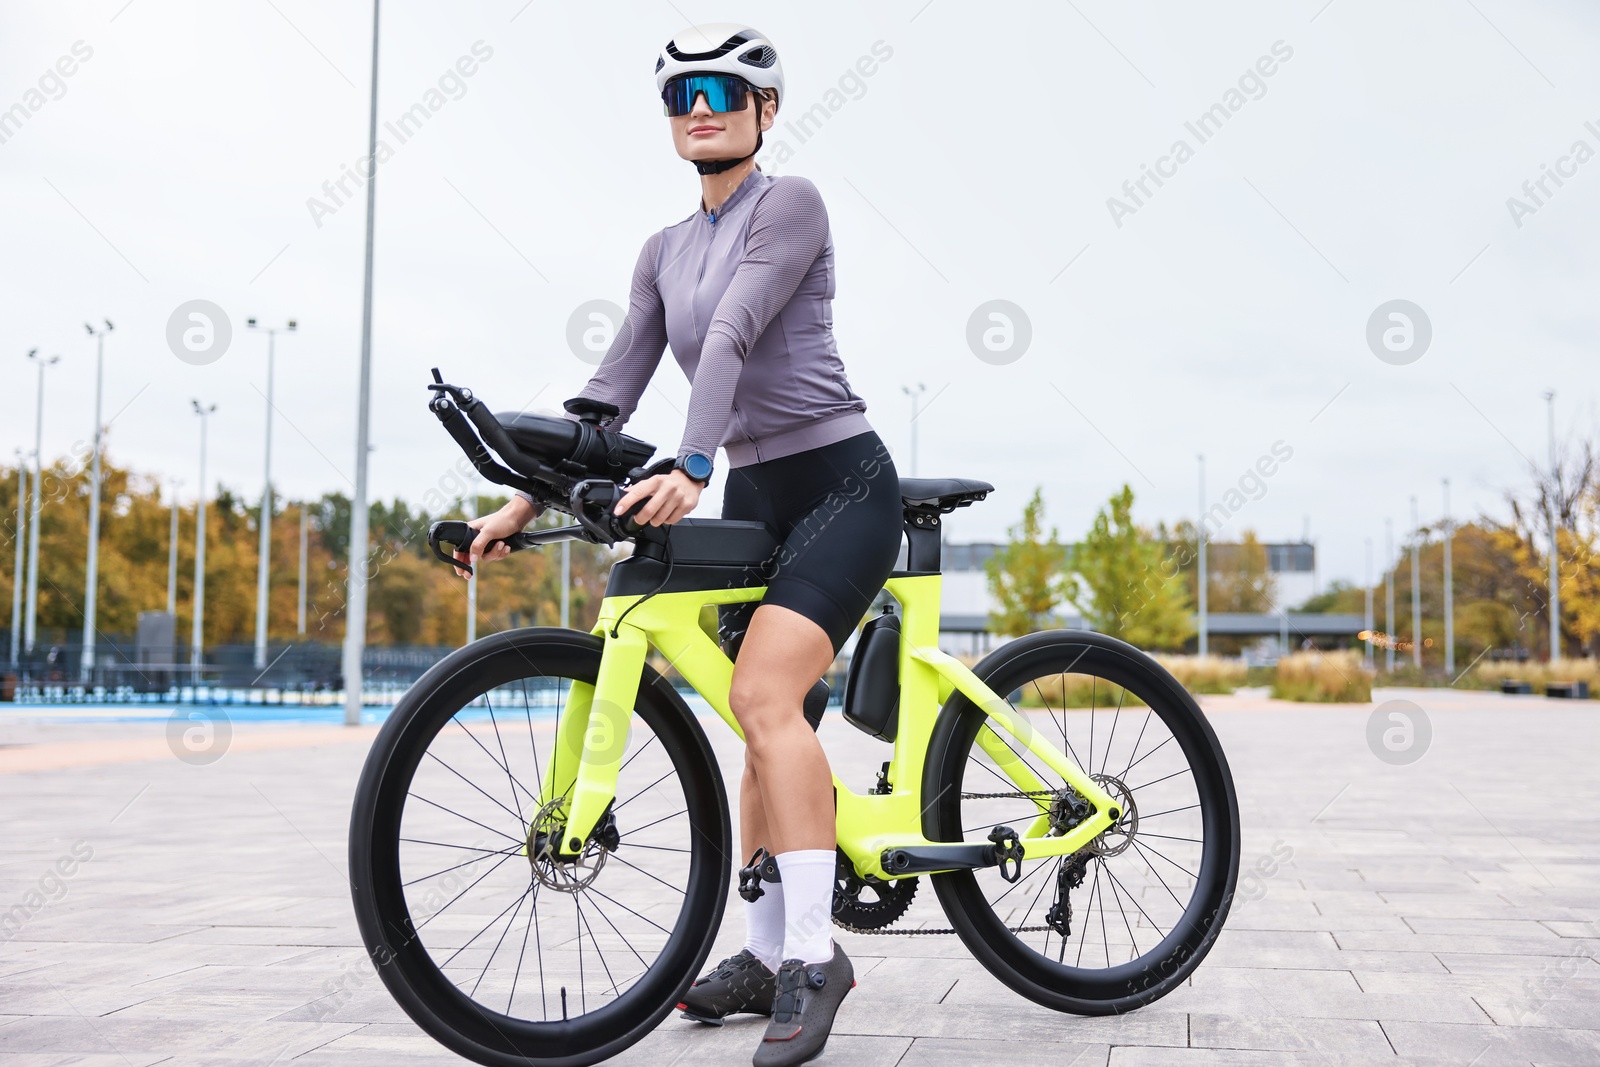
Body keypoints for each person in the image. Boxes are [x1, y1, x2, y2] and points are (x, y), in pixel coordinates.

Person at [457, 22, 902, 1067]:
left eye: (720, 89)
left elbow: (738, 332)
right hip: (755, 482)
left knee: (762, 698)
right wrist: (521, 500)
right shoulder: (662, 250)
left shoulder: (787, 205)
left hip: (841, 481)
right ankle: (758, 951)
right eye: (678, 95)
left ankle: (811, 955)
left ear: (765, 108)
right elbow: (609, 391)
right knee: (748, 707)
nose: (697, 106)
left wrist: (692, 466)